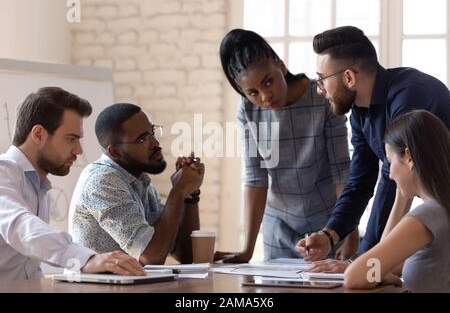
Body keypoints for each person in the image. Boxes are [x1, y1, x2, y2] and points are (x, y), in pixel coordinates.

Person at [296, 26, 450, 273]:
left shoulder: (411, 95)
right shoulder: (359, 112)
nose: (318, 89)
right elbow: (360, 182)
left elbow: (395, 183)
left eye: (321, 79)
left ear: (349, 77)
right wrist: (330, 235)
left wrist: (362, 263)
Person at [214, 28, 357, 262]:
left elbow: (341, 170)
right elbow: (255, 178)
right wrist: (247, 251)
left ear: (281, 65)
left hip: (330, 226)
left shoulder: (322, 97)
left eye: (268, 81)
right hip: (278, 228)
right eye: (253, 92)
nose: (265, 96)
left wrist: (349, 232)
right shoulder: (248, 111)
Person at [0, 87, 145, 281]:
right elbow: (19, 226)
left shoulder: (38, 185)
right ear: (38, 135)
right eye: (71, 139)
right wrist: (86, 259)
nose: (78, 150)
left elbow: (25, 270)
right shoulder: (4, 172)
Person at [69, 103, 204, 265]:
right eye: (142, 139)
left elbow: (186, 255)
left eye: (152, 133)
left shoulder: (141, 182)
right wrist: (178, 190)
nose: (155, 143)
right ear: (115, 152)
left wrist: (190, 194)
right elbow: (151, 255)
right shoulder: (102, 181)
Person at [345, 110, 450, 292]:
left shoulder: (429, 214)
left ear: (409, 157)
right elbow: (386, 260)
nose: (390, 174)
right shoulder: (442, 207)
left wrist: (375, 272)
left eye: (389, 161)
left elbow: (355, 276)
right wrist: (401, 197)